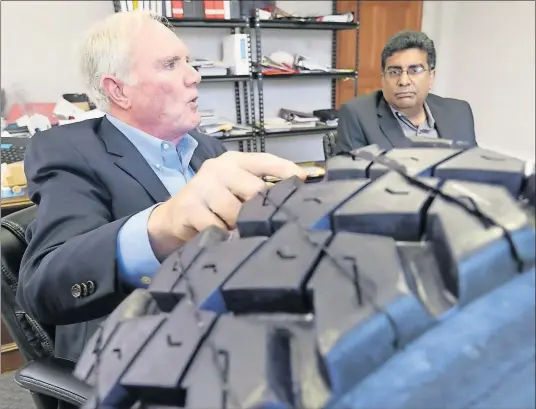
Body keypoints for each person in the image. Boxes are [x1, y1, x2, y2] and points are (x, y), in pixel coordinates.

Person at [16, 10, 307, 363]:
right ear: (118, 90)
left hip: (230, 331)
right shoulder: (68, 149)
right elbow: (43, 286)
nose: (195, 76)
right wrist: (162, 226)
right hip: (139, 358)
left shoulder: (206, 148)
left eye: (189, 61)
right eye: (171, 64)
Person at [336, 30, 477, 153]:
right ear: (383, 78)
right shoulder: (358, 116)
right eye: (394, 72)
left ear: (431, 76)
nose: (403, 81)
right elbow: (352, 178)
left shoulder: (459, 112)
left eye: (414, 70)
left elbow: (473, 170)